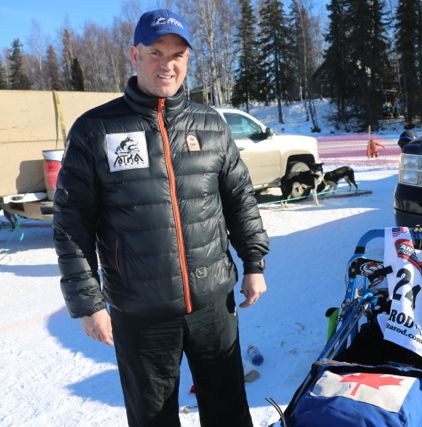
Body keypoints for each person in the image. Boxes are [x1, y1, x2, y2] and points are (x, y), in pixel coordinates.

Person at [53, 9, 268, 427]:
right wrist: (88, 303)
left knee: (228, 411)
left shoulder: (210, 124)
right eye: (156, 53)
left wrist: (254, 262)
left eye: (177, 55)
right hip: (140, 312)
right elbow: (71, 225)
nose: (167, 65)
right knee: (153, 418)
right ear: (135, 55)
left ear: (187, 60)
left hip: (212, 304)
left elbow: (240, 198)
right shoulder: (96, 129)